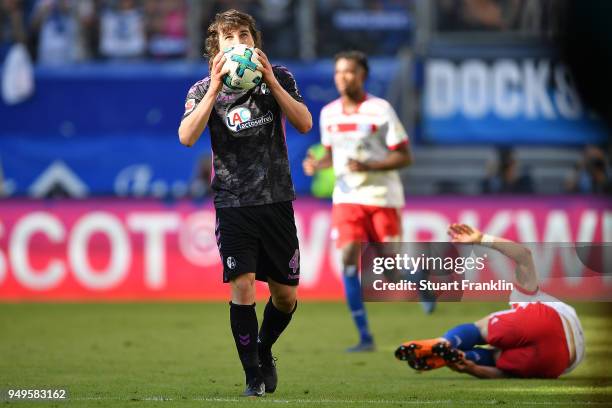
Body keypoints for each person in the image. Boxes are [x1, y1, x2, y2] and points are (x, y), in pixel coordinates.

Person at [178, 9, 312, 397]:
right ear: (216, 49)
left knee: (285, 297)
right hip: (233, 201)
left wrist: (269, 78)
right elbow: (187, 136)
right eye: (229, 38)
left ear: (255, 42)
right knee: (244, 287)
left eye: (244, 36)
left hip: (276, 199)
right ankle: (253, 375)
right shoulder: (202, 90)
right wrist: (217, 86)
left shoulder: (280, 77)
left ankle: (264, 348)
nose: (238, 44)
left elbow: (304, 123)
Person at [303, 50, 423, 353]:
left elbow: (405, 155)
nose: (343, 77)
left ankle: (419, 279)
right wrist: (318, 164)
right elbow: (331, 154)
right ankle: (364, 336)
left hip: (382, 197)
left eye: (350, 72)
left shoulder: (380, 110)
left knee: (388, 271)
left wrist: (370, 166)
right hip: (347, 196)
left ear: (363, 76)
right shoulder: (328, 113)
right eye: (338, 72)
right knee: (346, 259)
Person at [395, 223, 585, 379]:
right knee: (498, 358)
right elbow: (504, 374)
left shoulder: (524, 297)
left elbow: (524, 256)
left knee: (483, 335)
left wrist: (480, 239)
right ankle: (461, 356)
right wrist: (472, 369)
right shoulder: (526, 297)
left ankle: (446, 342)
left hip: (550, 326)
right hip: (558, 362)